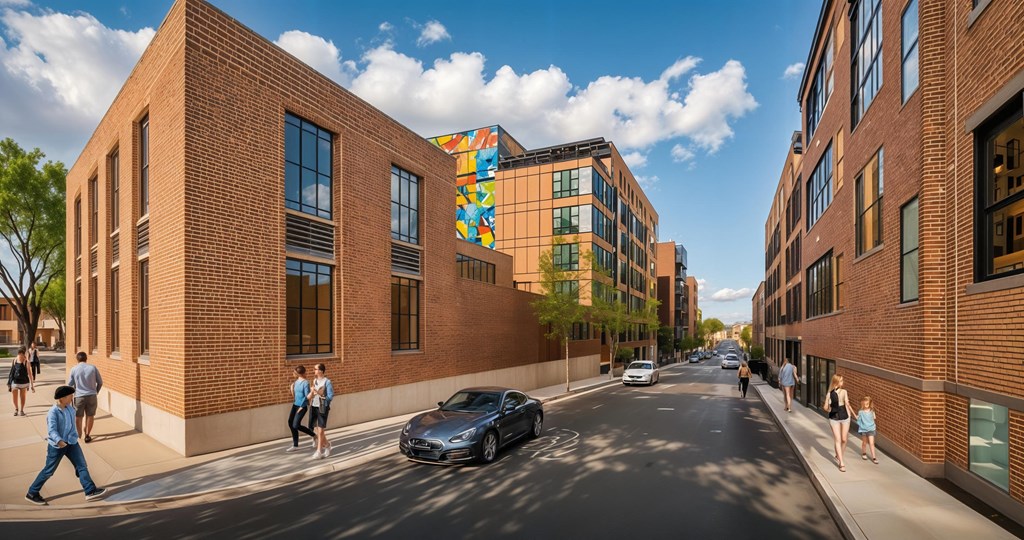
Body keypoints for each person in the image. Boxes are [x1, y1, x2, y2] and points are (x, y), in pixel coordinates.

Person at [24, 385, 106, 505]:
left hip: (72, 443)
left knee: (81, 465)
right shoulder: (53, 412)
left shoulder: (70, 409)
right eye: (70, 396)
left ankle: (90, 491)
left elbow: (72, 424)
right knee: (49, 471)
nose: (72, 397)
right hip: (57, 446)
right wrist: (59, 441)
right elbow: (52, 430)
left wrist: (76, 435)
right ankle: (32, 493)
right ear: (62, 398)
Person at [67, 351, 103, 443]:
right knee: (90, 415)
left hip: (79, 396)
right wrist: (96, 392)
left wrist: (70, 396)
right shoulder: (93, 368)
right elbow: (100, 382)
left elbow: (69, 384)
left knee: (78, 417)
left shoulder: (74, 369)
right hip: (92, 395)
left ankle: (79, 435)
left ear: (77, 359)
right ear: (86, 359)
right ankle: (87, 435)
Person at [285, 365, 317, 452]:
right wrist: (291, 389)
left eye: (295, 372)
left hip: (302, 406)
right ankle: (295, 445)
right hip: (295, 405)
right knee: (290, 423)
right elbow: (295, 397)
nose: (293, 374)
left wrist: (301, 406)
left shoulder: (305, 383)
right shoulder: (295, 382)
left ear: (299, 373)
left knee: (296, 425)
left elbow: (307, 396)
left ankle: (314, 435)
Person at [307, 363, 334, 459]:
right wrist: (312, 393)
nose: (314, 370)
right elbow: (313, 394)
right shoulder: (314, 381)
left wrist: (318, 393)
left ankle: (319, 451)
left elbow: (330, 397)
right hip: (314, 406)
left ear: (321, 371)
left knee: (321, 430)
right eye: (314, 369)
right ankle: (327, 445)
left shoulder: (327, 382)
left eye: (315, 369)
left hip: (322, 407)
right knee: (317, 430)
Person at [825, 374, 851, 472]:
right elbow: (825, 407)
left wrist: (849, 415)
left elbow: (847, 403)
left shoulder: (844, 391)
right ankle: (841, 462)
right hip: (834, 417)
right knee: (838, 439)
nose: (843, 382)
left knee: (844, 440)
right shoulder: (829, 394)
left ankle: (839, 455)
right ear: (836, 382)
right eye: (841, 380)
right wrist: (830, 409)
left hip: (845, 416)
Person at [7, 345, 35, 416]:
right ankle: (16, 409)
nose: (20, 355)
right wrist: (9, 383)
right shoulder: (14, 360)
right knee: (14, 394)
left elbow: (30, 375)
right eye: (19, 354)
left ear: (24, 354)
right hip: (15, 381)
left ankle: (22, 410)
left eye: (22, 354)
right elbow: (12, 372)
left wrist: (32, 385)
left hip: (24, 382)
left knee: (22, 396)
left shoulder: (27, 362)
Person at [856, 396, 879, 464]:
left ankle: (874, 457)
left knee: (871, 443)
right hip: (864, 429)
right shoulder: (861, 412)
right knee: (864, 443)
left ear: (869, 404)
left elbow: (873, 419)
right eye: (864, 404)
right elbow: (859, 421)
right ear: (862, 404)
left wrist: (874, 426)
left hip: (871, 429)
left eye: (867, 404)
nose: (865, 406)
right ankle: (864, 453)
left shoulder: (872, 412)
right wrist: (858, 418)